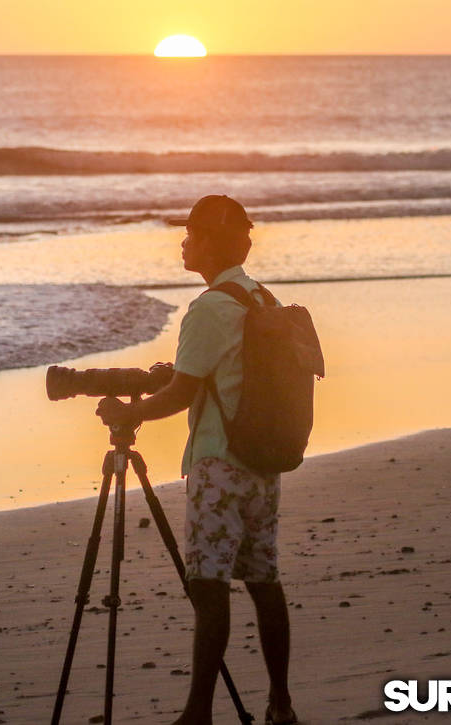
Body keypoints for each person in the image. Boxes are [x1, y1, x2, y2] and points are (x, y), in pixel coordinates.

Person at [96, 195, 298, 725]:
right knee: (263, 582)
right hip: (263, 462)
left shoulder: (208, 307)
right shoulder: (260, 298)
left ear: (209, 242)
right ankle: (281, 704)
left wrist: (128, 412)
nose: (183, 242)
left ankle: (198, 713)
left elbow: (181, 396)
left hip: (219, 463)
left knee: (208, 587)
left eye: (190, 233)